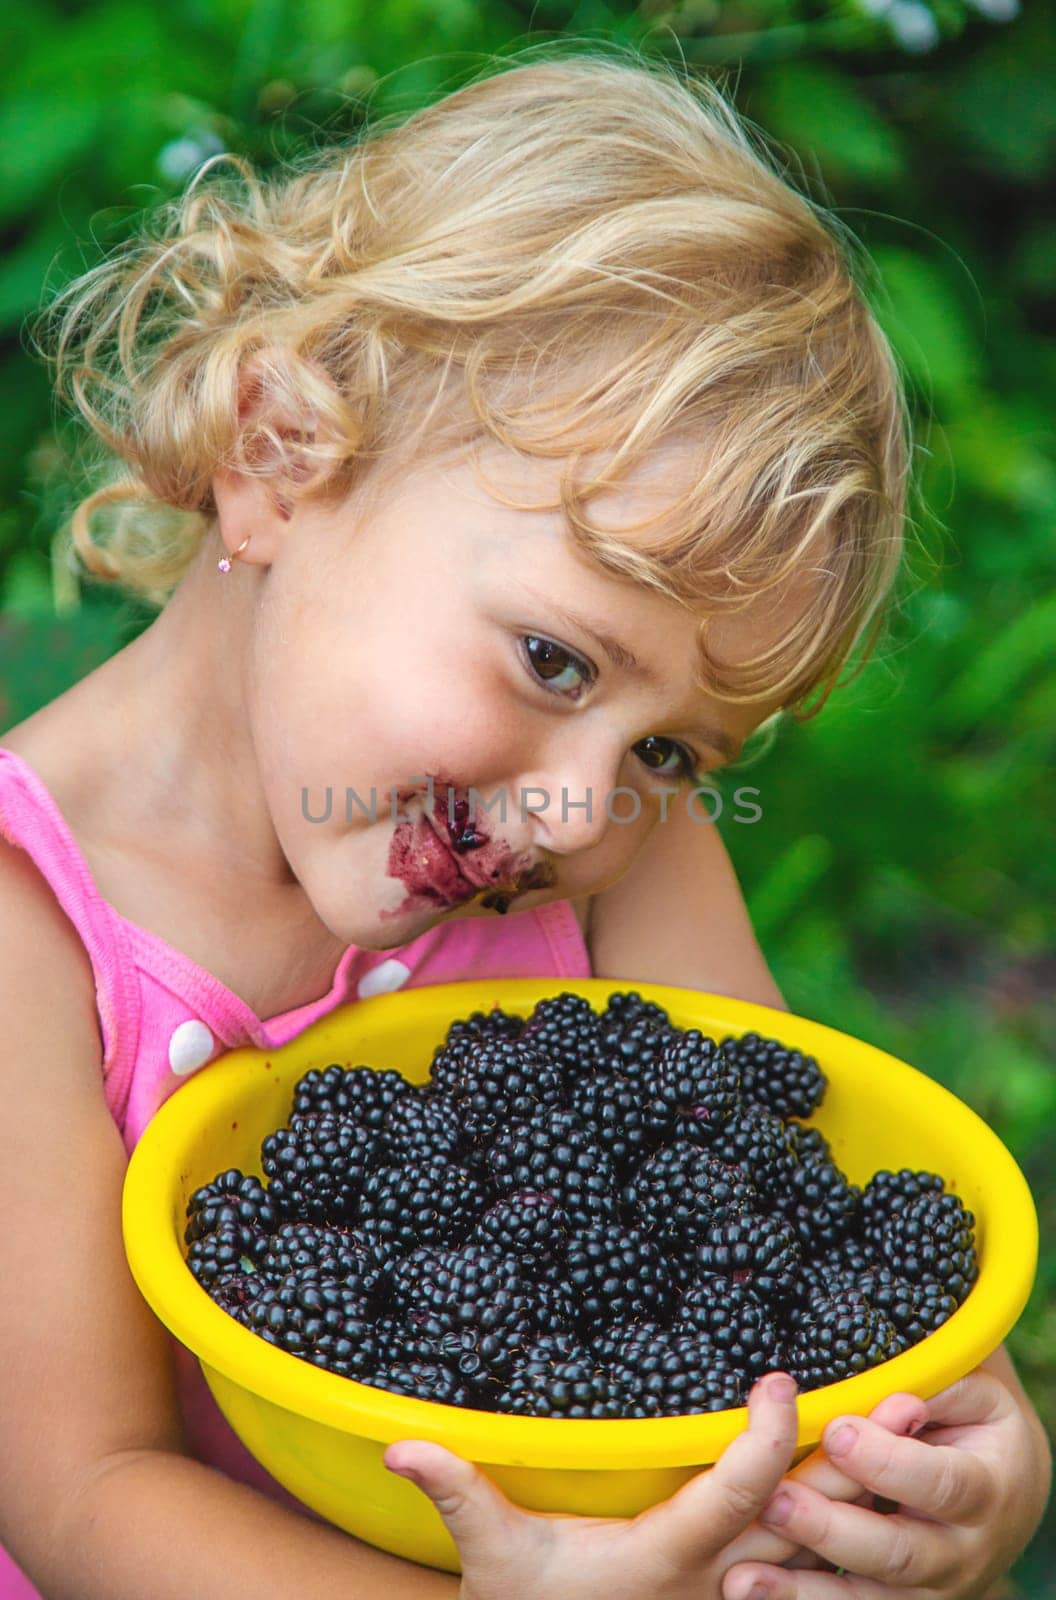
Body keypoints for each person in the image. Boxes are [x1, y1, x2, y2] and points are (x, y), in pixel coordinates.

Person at [0, 45, 1047, 1600]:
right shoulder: (27, 926)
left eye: (678, 752)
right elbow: (86, 1494)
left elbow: (783, 1219)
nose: (578, 805)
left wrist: (980, 1473)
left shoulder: (621, 846)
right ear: (280, 454)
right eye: (554, 658)